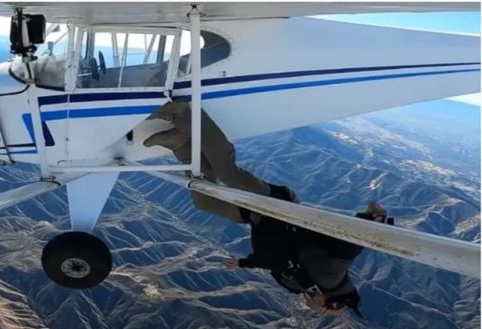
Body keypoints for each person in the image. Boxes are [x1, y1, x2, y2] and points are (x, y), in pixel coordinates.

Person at [143, 101, 388, 317]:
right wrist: (374, 222)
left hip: (259, 218)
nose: (319, 311)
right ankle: (185, 113)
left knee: (204, 200)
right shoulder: (330, 276)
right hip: (277, 206)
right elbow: (349, 245)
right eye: (328, 312)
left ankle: (181, 145)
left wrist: (243, 263)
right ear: (331, 302)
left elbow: (273, 260)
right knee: (228, 174)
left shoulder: (298, 285)